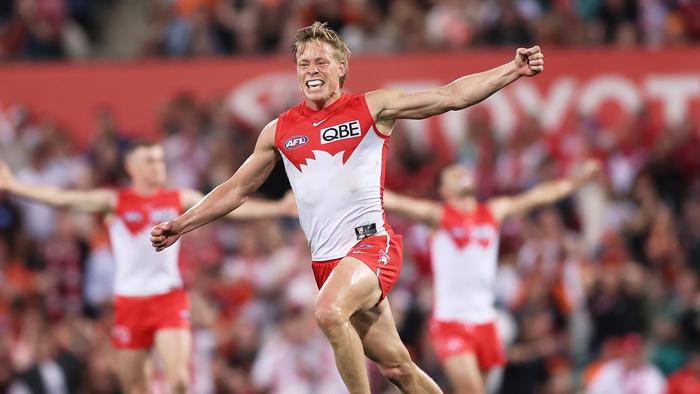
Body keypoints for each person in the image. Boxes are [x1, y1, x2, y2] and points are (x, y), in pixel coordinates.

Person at [150, 21, 545, 394]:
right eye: (303, 64)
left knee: (326, 312)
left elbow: (451, 96)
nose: (311, 70)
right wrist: (183, 224)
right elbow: (236, 189)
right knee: (398, 368)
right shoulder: (279, 130)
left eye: (320, 61)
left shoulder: (372, 108)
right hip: (327, 262)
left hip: (372, 246)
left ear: (341, 67)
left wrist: (512, 70)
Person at [0, 141, 295, 394]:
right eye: (150, 160)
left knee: (178, 381)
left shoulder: (178, 198)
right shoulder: (114, 201)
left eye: (160, 159)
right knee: (135, 387)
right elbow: (64, 199)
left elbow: (230, 208)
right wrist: (14, 186)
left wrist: (277, 208)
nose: (158, 165)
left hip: (168, 297)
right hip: (129, 302)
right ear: (132, 167)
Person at [382, 159, 600, 393]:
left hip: (486, 323)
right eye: (452, 174)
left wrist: (578, 181)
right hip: (451, 323)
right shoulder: (438, 215)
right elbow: (396, 202)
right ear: (443, 190)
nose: (460, 173)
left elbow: (539, 196)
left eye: (462, 171)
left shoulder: (493, 211)